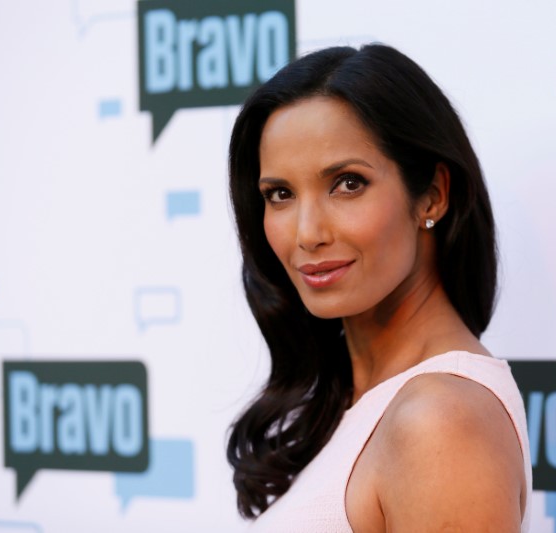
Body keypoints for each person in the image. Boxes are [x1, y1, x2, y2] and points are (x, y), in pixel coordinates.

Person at [227, 44, 531, 532]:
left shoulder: (440, 422)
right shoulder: (351, 403)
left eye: (347, 184)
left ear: (432, 195)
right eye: (279, 194)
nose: (307, 233)